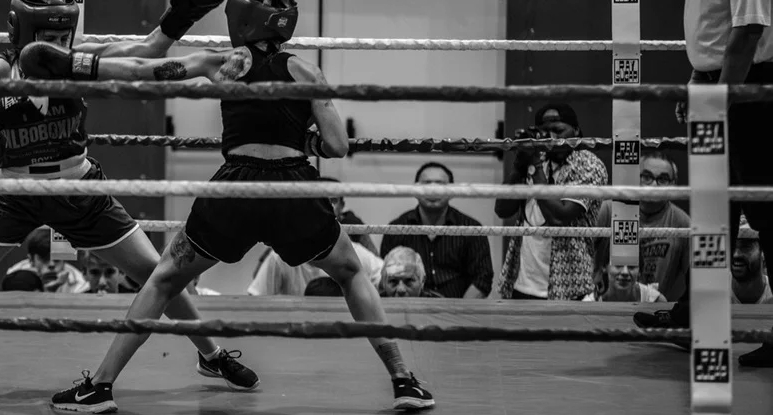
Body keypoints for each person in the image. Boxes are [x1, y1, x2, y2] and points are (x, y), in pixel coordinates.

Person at [48, 0, 434, 413]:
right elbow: (337, 146)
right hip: (293, 188)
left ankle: (99, 387)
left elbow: (143, 71)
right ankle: (403, 380)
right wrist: (300, 139)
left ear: (245, 20)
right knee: (349, 272)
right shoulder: (307, 72)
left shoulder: (222, 63)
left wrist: (72, 64)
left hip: (236, 188)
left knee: (165, 278)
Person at [0, 0, 261, 391]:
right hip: (13, 193)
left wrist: (181, 15)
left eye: (63, 36)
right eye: (50, 37)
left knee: (156, 272)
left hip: (78, 187)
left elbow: (145, 51)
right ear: (24, 32)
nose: (59, 45)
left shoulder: (78, 62)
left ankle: (211, 355)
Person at [641, 0, 773, 367]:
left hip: (751, 91)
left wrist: (720, 100)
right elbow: (715, 26)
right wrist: (699, 79)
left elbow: (748, 32)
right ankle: (694, 316)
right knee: (715, 210)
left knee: (763, 211)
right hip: (722, 83)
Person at [494, 103, 608, 301]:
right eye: (545, 132)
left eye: (558, 130)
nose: (552, 138)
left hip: (568, 286)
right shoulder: (536, 158)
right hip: (522, 282)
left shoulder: (589, 165)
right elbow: (503, 209)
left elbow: (559, 218)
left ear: (576, 131)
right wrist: (519, 164)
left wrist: (535, 165)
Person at [246, 177, 383, 297]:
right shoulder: (280, 256)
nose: (327, 207)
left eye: (333, 201)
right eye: (322, 201)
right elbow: (256, 295)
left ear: (342, 206)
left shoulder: (353, 249)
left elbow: (385, 274)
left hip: (340, 316)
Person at [379, 162, 493, 298]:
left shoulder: (471, 229)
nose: (433, 190)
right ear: (414, 190)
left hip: (459, 307)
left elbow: (482, 279)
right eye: (426, 184)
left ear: (453, 191)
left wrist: (460, 309)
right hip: (408, 307)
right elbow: (386, 277)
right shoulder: (396, 229)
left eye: (440, 184)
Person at [595, 152, 690, 307]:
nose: (653, 185)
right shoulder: (608, 210)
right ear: (634, 178)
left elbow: (697, 278)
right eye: (646, 177)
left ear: (673, 184)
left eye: (663, 179)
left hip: (655, 309)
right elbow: (582, 256)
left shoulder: (682, 222)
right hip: (604, 307)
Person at [0, 227, 89, 293]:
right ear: (31, 260)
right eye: (44, 259)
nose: (51, 265)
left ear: (64, 259)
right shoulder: (15, 277)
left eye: (57, 259)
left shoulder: (80, 283)